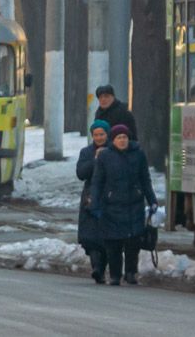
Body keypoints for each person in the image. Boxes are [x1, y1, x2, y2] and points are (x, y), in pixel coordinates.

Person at [90, 124, 157, 286]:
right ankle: (115, 275)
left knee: (133, 242)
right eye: (119, 138)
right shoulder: (105, 157)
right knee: (113, 243)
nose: (122, 140)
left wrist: (152, 200)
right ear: (113, 140)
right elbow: (98, 182)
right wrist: (95, 204)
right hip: (112, 206)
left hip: (134, 205)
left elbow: (145, 179)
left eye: (125, 137)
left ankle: (131, 272)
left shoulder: (138, 155)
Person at [77, 119, 111, 283]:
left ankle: (103, 268)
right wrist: (95, 160)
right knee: (90, 236)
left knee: (106, 236)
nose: (99, 137)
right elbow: (81, 173)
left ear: (107, 134)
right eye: (96, 135)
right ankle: (97, 268)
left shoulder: (113, 150)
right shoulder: (86, 152)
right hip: (90, 197)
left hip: (109, 197)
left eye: (102, 134)